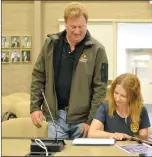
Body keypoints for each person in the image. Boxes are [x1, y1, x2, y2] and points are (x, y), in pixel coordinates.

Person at [30, 2, 108, 140]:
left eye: (81, 27)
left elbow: (100, 89)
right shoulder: (51, 44)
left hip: (82, 120)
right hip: (56, 117)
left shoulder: (98, 50)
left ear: (86, 24)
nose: (77, 31)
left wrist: (91, 121)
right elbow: (38, 76)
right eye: (73, 27)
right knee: (57, 153)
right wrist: (35, 107)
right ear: (65, 24)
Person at [88, 73, 151, 140]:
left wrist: (127, 137)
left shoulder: (141, 110)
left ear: (133, 96)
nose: (117, 98)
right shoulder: (105, 107)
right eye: (116, 93)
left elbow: (143, 139)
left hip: (132, 148)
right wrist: (115, 135)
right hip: (111, 149)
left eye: (123, 96)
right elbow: (91, 133)